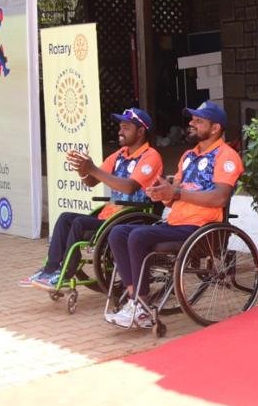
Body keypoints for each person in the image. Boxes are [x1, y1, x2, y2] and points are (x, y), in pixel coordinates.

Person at [105, 100, 244, 328]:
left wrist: (176, 193)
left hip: (201, 227)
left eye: (199, 121)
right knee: (117, 232)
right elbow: (172, 196)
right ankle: (135, 300)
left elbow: (220, 198)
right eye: (192, 119)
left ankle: (141, 306)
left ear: (215, 128)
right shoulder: (188, 156)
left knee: (138, 236)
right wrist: (161, 192)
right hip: (175, 222)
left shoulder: (226, 156)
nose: (191, 124)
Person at [20, 108, 162, 289]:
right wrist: (83, 169)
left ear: (141, 131)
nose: (120, 131)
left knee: (79, 223)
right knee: (65, 218)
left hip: (133, 217)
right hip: (112, 215)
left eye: (126, 128)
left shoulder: (151, 156)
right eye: (120, 127)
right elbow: (91, 181)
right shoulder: (120, 155)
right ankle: (50, 269)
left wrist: (92, 168)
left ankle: (66, 272)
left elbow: (129, 187)